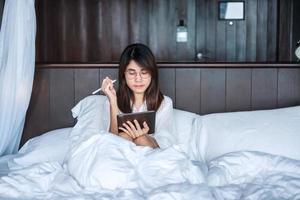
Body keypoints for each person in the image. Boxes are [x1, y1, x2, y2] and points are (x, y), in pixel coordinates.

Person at [100, 43, 175, 148]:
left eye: (144, 72)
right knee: (123, 137)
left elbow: (164, 143)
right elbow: (112, 142)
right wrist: (113, 101)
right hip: (120, 156)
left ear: (152, 74)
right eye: (132, 73)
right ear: (124, 74)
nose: (138, 79)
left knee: (140, 138)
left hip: (152, 157)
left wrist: (143, 138)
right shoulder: (110, 102)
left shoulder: (165, 103)